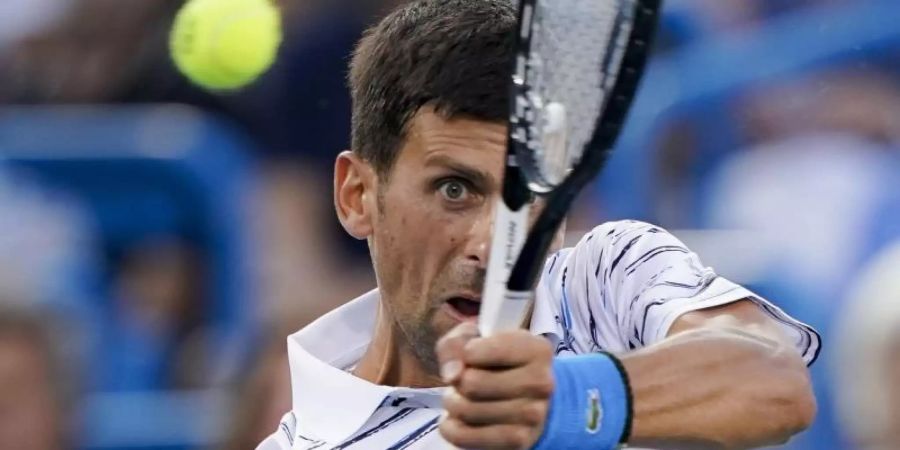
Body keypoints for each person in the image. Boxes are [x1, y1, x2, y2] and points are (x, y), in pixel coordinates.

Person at [257, 1, 820, 449]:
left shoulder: (606, 275)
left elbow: (774, 383)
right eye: (454, 190)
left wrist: (567, 401)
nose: (489, 245)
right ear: (358, 196)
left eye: (527, 198)